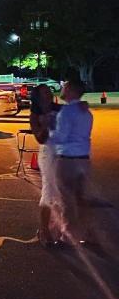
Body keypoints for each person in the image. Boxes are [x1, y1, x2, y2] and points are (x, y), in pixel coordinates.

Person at [51, 80, 94, 245]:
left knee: (66, 199)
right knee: (81, 198)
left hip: (68, 159)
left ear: (70, 90)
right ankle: (87, 233)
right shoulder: (86, 112)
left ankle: (67, 236)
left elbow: (61, 137)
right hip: (84, 158)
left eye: (64, 87)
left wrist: (49, 130)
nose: (62, 89)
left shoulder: (66, 112)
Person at [30, 84, 65, 246]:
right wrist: (44, 125)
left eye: (49, 91)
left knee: (63, 192)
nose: (49, 94)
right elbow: (40, 139)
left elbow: (72, 112)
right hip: (48, 153)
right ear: (37, 97)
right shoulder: (35, 114)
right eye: (44, 92)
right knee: (49, 191)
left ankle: (59, 229)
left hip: (64, 153)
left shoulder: (59, 108)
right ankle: (44, 230)